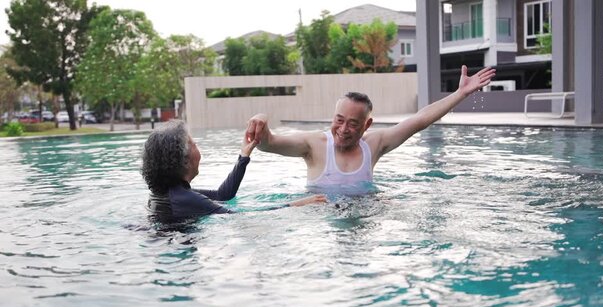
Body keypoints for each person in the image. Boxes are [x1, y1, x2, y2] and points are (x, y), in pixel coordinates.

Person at [245, 65, 496, 193]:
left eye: (353, 124)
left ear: (367, 125)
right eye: (339, 120)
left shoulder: (374, 145)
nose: (343, 129)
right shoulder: (313, 145)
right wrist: (261, 120)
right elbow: (269, 143)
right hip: (320, 223)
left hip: (367, 216)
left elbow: (420, 120)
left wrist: (460, 93)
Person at [141, 120, 325, 223]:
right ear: (184, 160)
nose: (198, 146)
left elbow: (223, 195)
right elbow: (241, 217)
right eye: (193, 144)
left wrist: (244, 155)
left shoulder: (171, 194)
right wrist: (297, 204)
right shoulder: (184, 198)